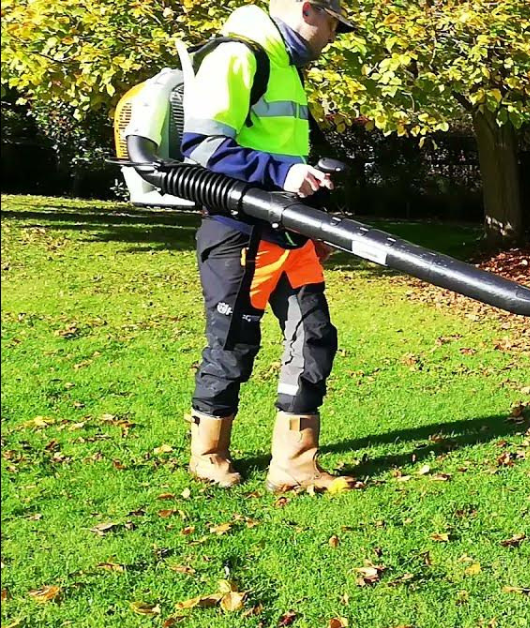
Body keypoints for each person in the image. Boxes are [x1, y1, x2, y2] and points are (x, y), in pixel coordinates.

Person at [181, 0, 359, 492]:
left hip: (290, 228)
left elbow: (284, 151)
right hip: (239, 230)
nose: (332, 37)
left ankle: (295, 463)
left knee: (313, 335)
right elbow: (202, 147)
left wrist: (314, 204)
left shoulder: (285, 67)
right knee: (233, 343)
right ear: (309, 10)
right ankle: (208, 452)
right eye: (334, 25)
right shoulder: (239, 56)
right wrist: (283, 172)